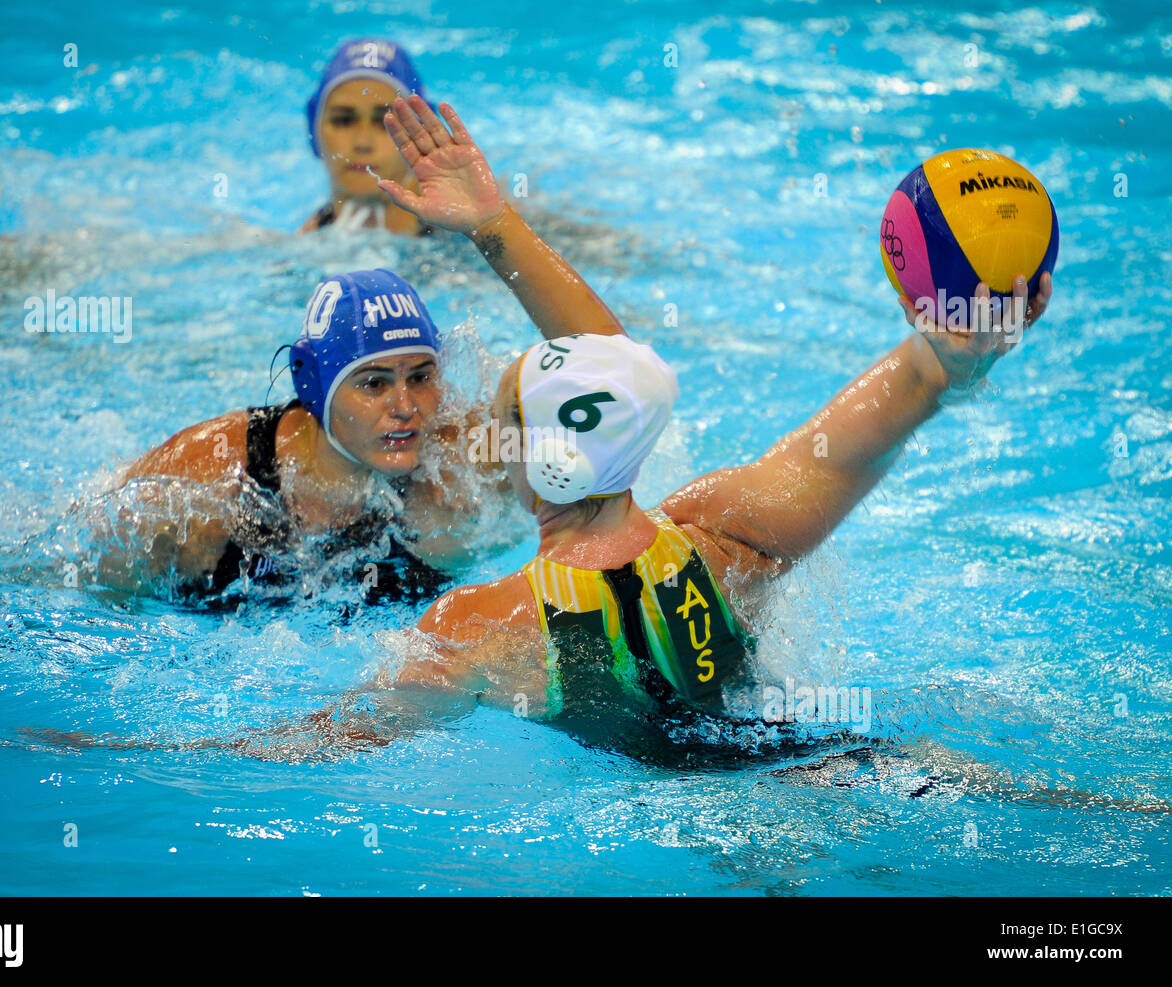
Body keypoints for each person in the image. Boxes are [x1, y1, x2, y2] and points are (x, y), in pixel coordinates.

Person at [400, 276, 1052, 745]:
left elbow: (357, 732)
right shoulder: (719, 535)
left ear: (536, 457)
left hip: (684, 834)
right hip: (823, 763)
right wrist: (942, 364)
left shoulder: (476, 623)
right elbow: (841, 455)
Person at [106, 96, 624, 602]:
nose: (405, 406)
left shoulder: (462, 467)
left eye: (420, 376)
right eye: (374, 383)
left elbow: (618, 381)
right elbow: (86, 589)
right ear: (311, 384)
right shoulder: (210, 486)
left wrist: (492, 226)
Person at [298, 39, 432, 236]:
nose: (362, 143)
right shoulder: (290, 254)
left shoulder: (471, 239)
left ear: (422, 133)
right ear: (314, 130)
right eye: (344, 121)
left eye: (386, 123)